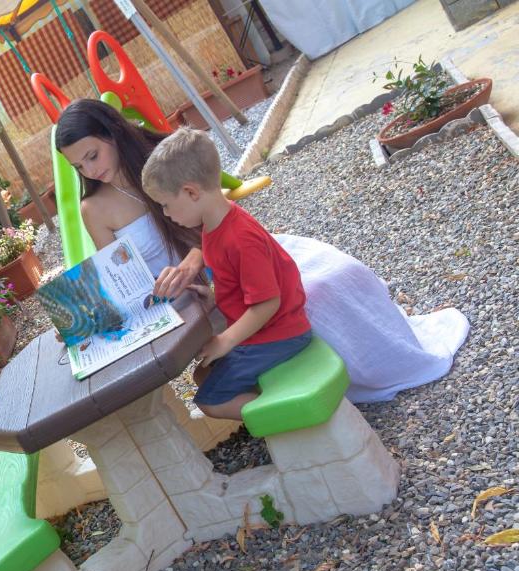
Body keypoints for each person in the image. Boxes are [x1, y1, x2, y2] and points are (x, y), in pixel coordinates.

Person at [55, 99, 469, 403]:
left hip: (227, 257)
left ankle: (364, 367)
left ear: (112, 133)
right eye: (78, 167)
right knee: (291, 308)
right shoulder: (94, 208)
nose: (90, 171)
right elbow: (122, 283)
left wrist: (195, 260)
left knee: (333, 280)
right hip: (191, 299)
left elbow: (219, 215)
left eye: (92, 155)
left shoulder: (162, 159)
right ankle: (293, 398)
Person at [139, 127, 312, 419]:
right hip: (266, 331)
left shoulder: (240, 238)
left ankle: (293, 417)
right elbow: (236, 281)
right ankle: (269, 401)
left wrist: (226, 339)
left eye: (165, 205)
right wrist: (215, 297)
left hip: (280, 334)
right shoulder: (213, 225)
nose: (166, 214)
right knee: (202, 377)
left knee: (210, 401)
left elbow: (268, 303)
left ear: (191, 192)